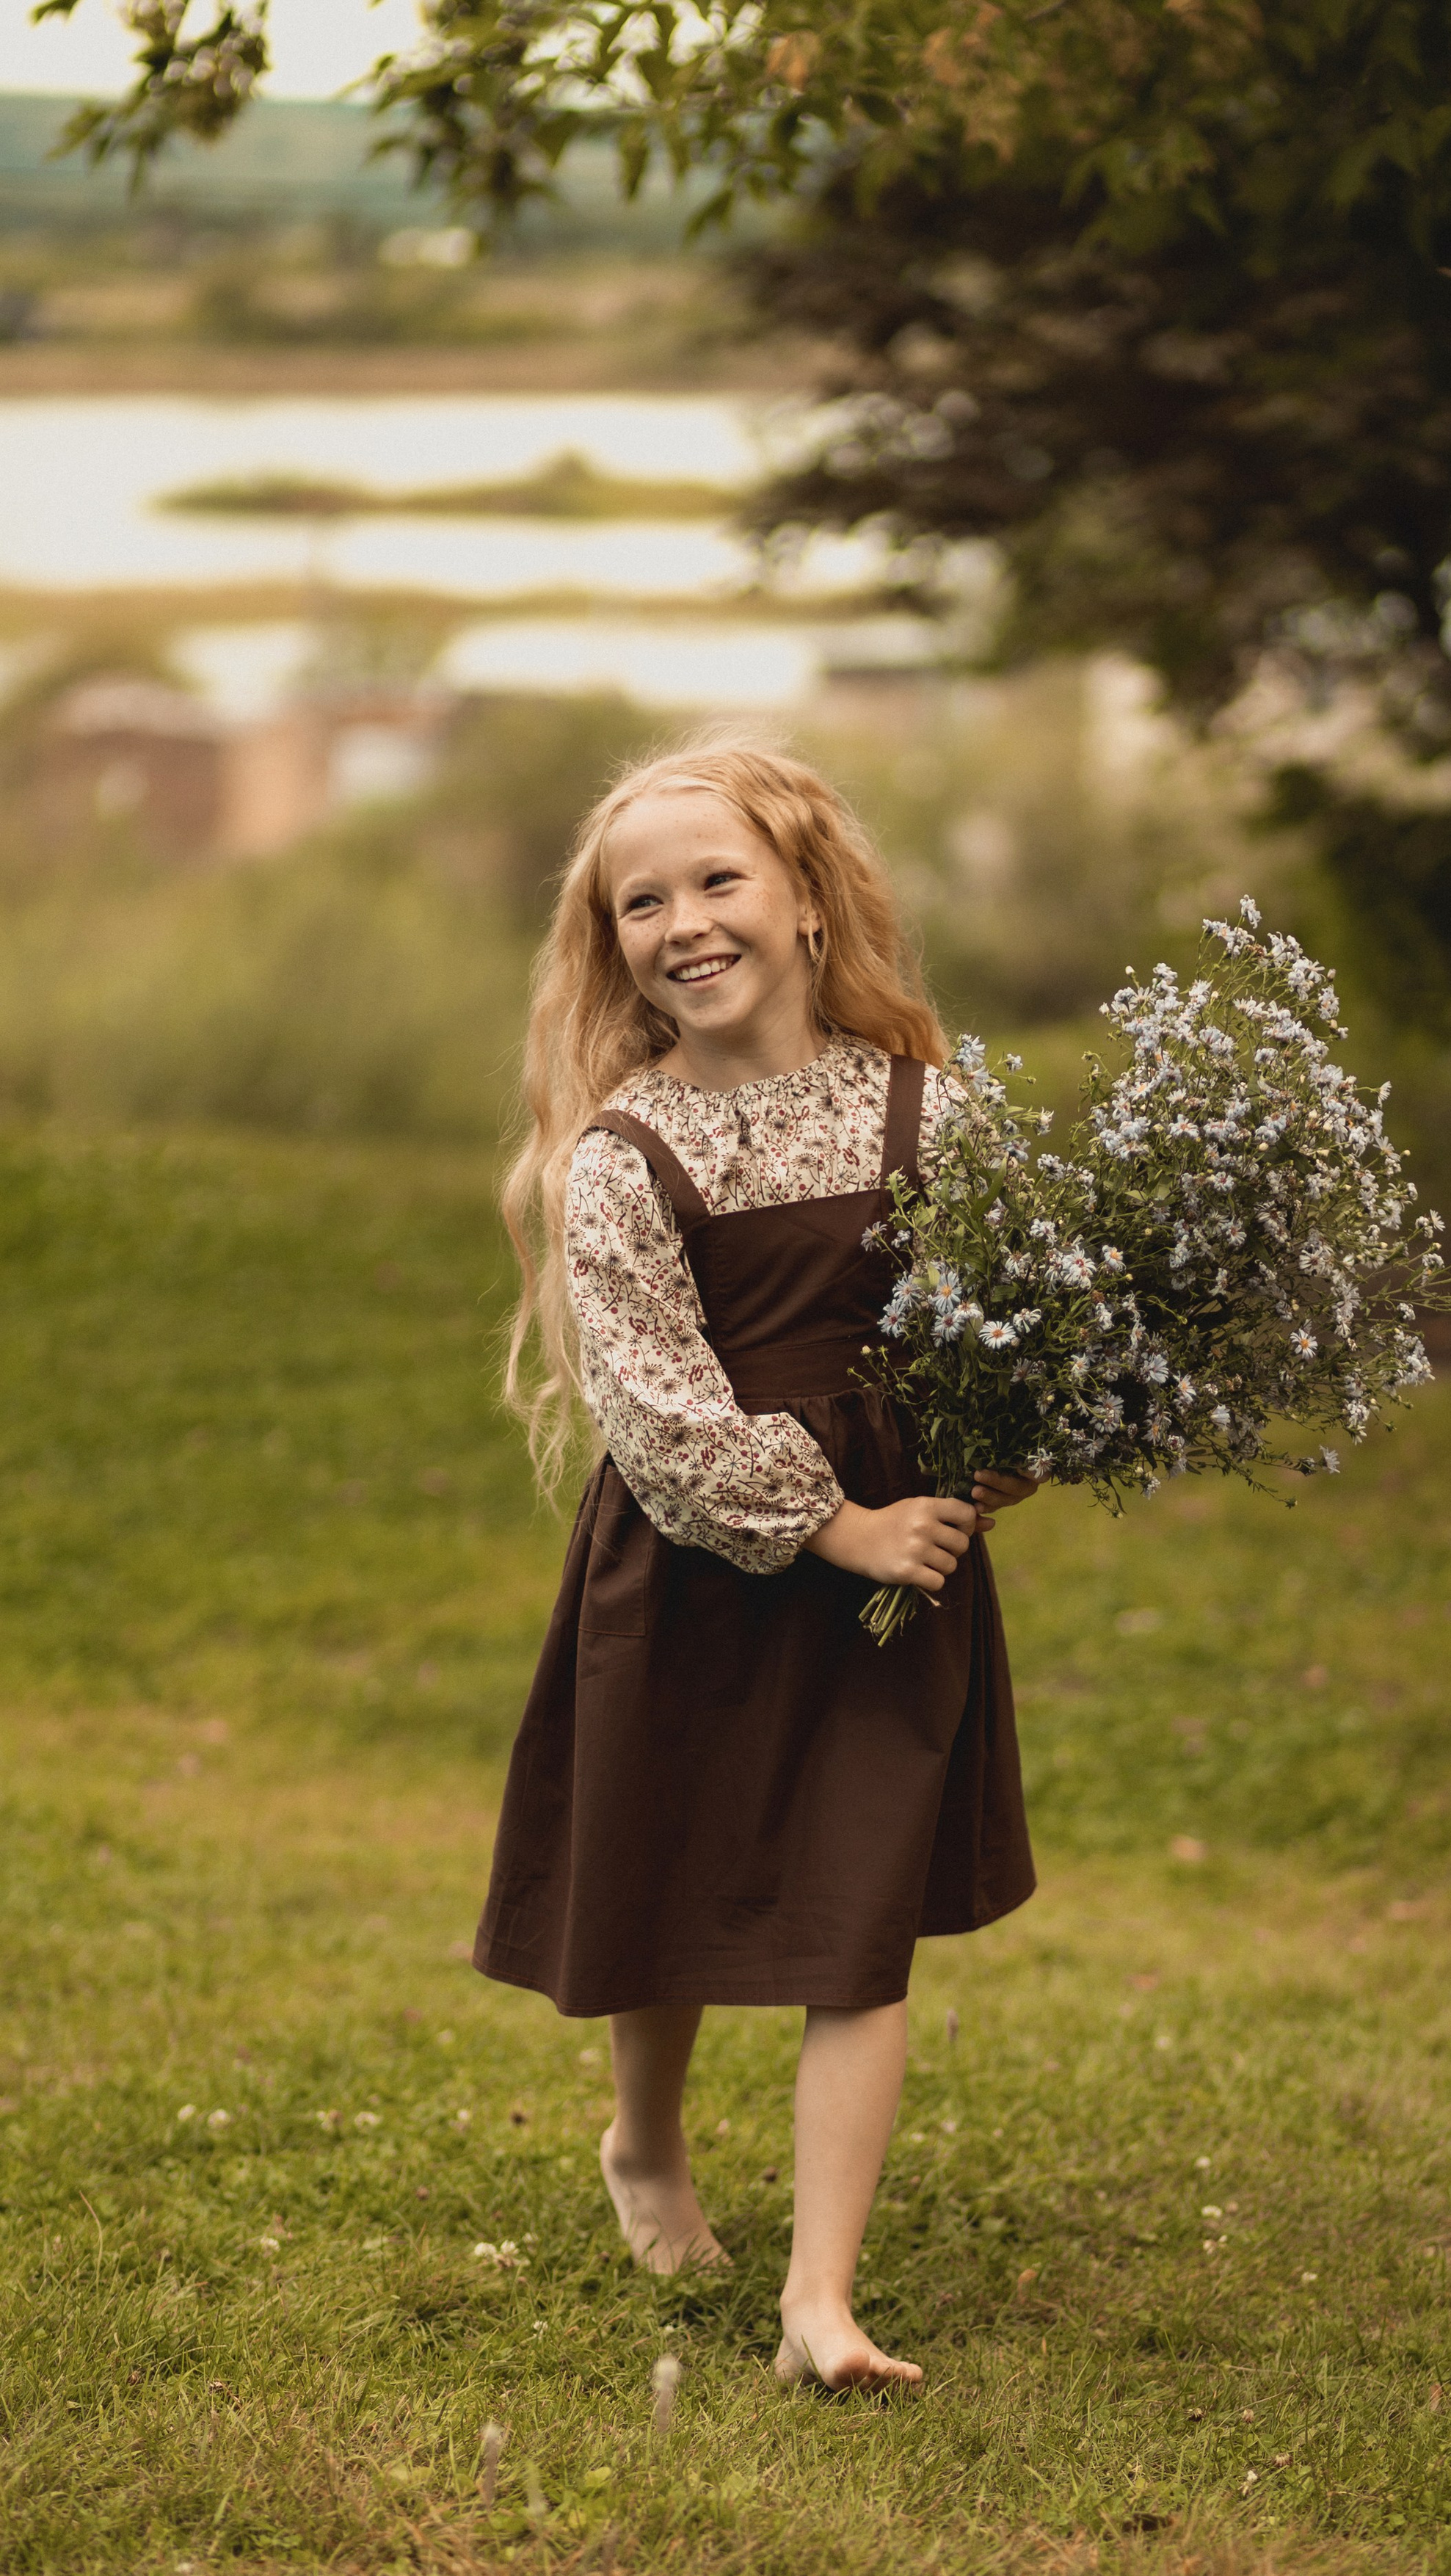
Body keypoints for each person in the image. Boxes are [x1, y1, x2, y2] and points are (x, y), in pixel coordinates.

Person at [476, 740, 1038, 2390]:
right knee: (677, 1868)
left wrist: (1009, 1441)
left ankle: (817, 2300)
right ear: (611, 946)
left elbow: (1007, 1323)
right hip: (704, 1570)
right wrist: (832, 1522)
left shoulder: (934, 1106)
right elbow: (651, 1406)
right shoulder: (625, 1156)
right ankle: (642, 2143)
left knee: (854, 1916)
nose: (682, 923)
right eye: (637, 903)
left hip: (896, 1579)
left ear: (805, 897)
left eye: (716, 881)